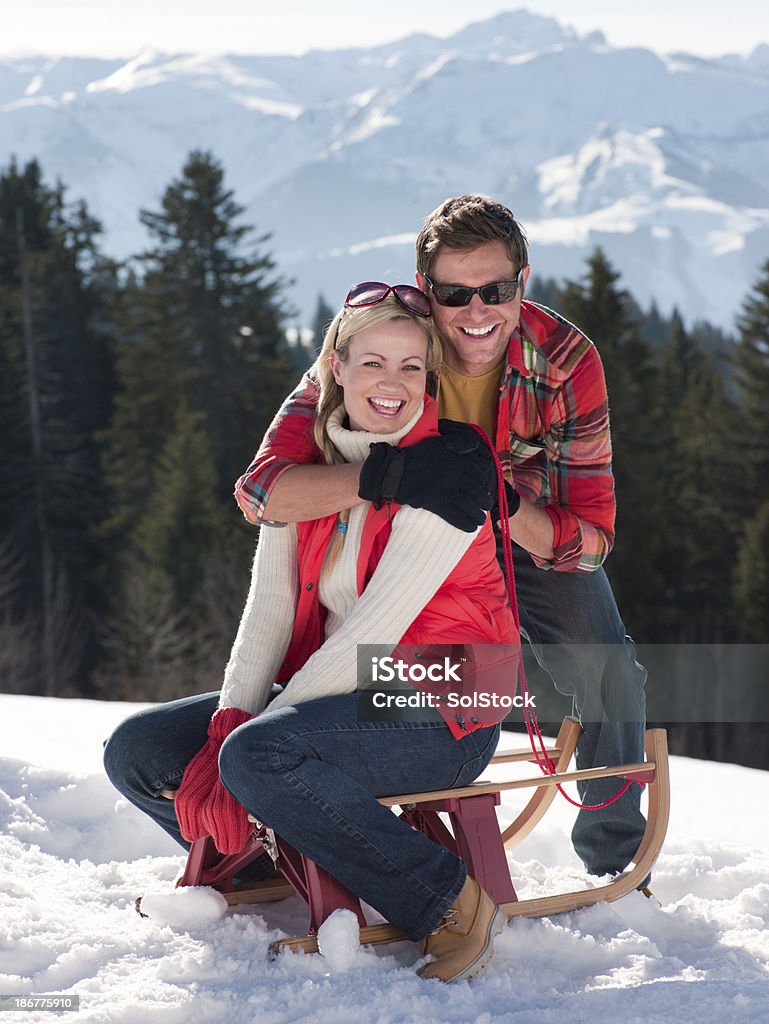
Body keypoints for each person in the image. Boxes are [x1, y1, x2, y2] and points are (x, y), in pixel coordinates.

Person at [104, 282, 522, 983]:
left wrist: (251, 738)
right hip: (340, 689)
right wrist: (230, 717)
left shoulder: (451, 473)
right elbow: (267, 610)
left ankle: (444, 901)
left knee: (258, 756)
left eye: (411, 368)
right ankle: (272, 855)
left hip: (446, 704)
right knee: (139, 749)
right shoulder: (316, 469)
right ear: (334, 367)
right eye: (372, 363)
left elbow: (376, 631)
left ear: (430, 379)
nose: (391, 383)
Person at [234, 195, 648, 881]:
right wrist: (386, 476)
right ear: (426, 290)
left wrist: (499, 501)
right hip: (394, 523)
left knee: (606, 669)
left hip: (514, 530)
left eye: (496, 290)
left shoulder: (564, 359)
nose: (477, 311)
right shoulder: (379, 338)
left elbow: (593, 537)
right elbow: (261, 490)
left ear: (523, 281)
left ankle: (615, 863)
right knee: (342, 657)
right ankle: (313, 808)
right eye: (455, 294)